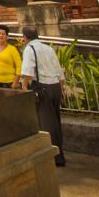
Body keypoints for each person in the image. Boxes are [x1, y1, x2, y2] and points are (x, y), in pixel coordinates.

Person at [19, 26, 66, 167]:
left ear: (25, 37)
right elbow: (59, 70)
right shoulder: (48, 48)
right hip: (55, 87)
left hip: (42, 88)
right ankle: (59, 152)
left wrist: (24, 87)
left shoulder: (29, 49)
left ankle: (56, 156)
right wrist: (61, 88)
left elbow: (27, 71)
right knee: (56, 121)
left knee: (46, 123)